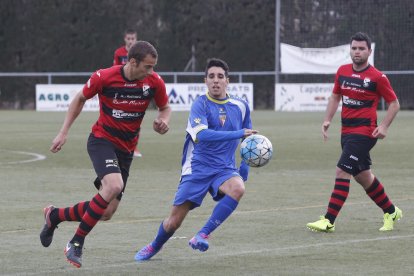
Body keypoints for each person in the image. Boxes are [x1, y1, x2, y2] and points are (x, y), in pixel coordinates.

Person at [40, 41, 171, 268]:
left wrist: (163, 121)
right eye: (147, 67)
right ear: (132, 62)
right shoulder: (104, 77)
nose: (151, 71)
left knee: (107, 211)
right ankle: (76, 242)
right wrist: (63, 132)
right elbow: (80, 98)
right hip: (102, 141)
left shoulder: (153, 82)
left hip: (126, 150)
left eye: (153, 67)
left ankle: (54, 216)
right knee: (113, 186)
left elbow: (165, 108)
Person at [134, 58, 257, 261]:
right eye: (211, 77)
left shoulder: (241, 106)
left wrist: (245, 166)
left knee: (238, 188)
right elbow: (202, 135)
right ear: (205, 81)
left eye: (220, 77)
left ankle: (202, 234)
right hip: (196, 168)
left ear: (228, 80)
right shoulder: (200, 104)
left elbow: (249, 138)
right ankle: (155, 245)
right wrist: (238, 133)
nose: (215, 81)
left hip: (224, 169)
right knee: (174, 222)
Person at [306, 32, 402, 233]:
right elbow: (335, 96)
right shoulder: (342, 71)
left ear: (369, 51)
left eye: (361, 48)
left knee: (342, 170)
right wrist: (327, 120)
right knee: (363, 176)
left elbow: (394, 103)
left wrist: (383, 126)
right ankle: (391, 211)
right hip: (347, 132)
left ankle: (329, 220)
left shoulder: (377, 77)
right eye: (354, 48)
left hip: (365, 133)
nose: (357, 52)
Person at [113, 29, 142, 157]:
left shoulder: (141, 53)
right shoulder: (119, 53)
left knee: (135, 120)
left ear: (136, 39)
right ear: (125, 39)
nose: (130, 41)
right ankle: (117, 147)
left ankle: (133, 148)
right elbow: (115, 71)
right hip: (121, 92)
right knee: (118, 120)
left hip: (136, 91)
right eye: (128, 38)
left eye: (133, 39)